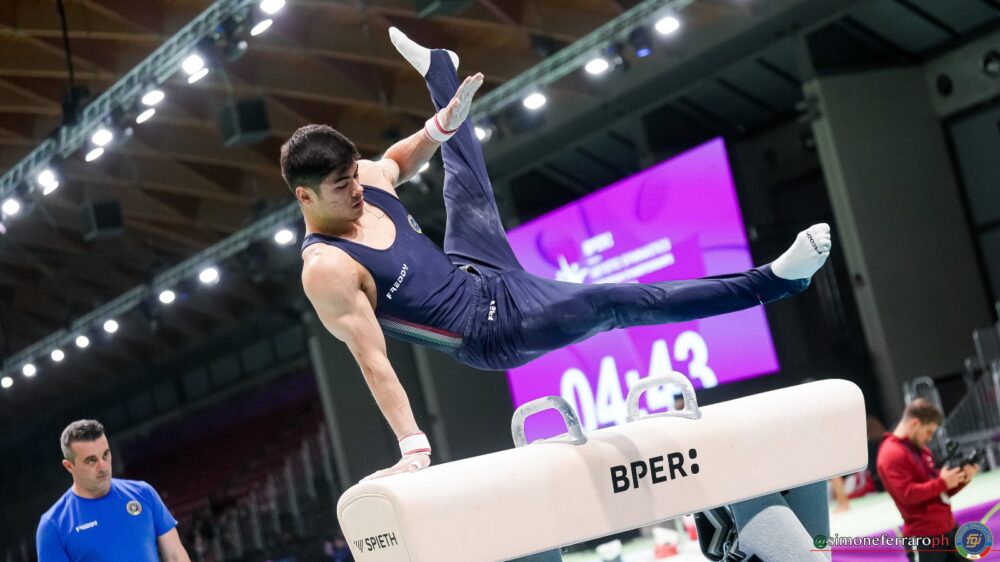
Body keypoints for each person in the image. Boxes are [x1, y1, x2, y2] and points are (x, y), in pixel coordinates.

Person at [287, 28, 833, 480]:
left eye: (354, 174)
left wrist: (437, 129)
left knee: (463, 168)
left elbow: (398, 161)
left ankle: (440, 71)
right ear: (305, 196)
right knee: (616, 301)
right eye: (340, 186)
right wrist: (413, 446)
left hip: (481, 270)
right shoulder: (329, 268)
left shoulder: (369, 180)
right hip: (491, 331)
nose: (357, 188)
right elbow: (372, 359)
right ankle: (778, 281)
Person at [36, 419, 190, 562]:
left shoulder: (143, 493)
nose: (102, 466)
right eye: (91, 460)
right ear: (69, 466)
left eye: (105, 454)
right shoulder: (53, 525)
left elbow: (175, 556)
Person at [877, 399, 979, 562]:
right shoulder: (891, 453)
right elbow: (907, 495)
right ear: (915, 423)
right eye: (928, 432)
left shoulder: (920, 449)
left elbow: (938, 491)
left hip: (948, 528)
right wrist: (943, 483)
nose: (930, 438)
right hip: (924, 538)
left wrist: (961, 479)